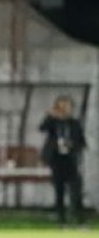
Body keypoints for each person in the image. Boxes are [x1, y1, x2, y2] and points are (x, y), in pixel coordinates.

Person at [39, 95, 87, 225]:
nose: (65, 109)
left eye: (67, 106)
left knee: (75, 188)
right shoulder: (53, 123)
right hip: (56, 159)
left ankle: (79, 217)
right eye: (61, 106)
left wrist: (72, 145)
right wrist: (50, 116)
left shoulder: (75, 123)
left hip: (70, 159)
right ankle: (61, 219)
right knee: (59, 189)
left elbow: (82, 142)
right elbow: (42, 128)